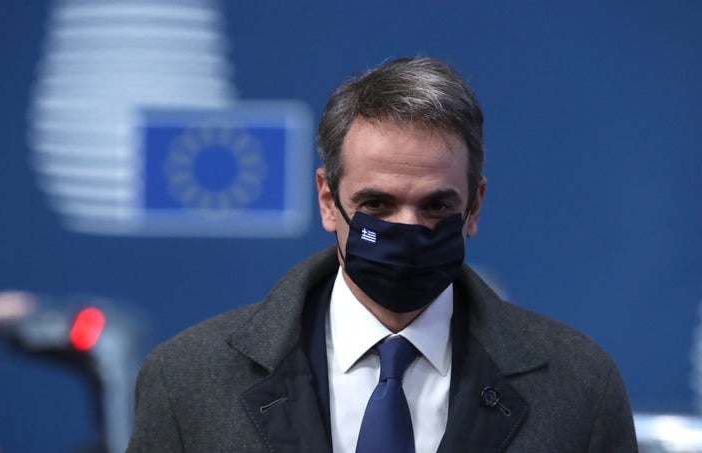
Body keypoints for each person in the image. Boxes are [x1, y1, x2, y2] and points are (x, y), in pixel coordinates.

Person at [127, 57, 637, 452]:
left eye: (437, 205)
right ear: (329, 201)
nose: (407, 229)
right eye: (377, 204)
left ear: (475, 205)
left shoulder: (581, 386)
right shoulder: (188, 379)